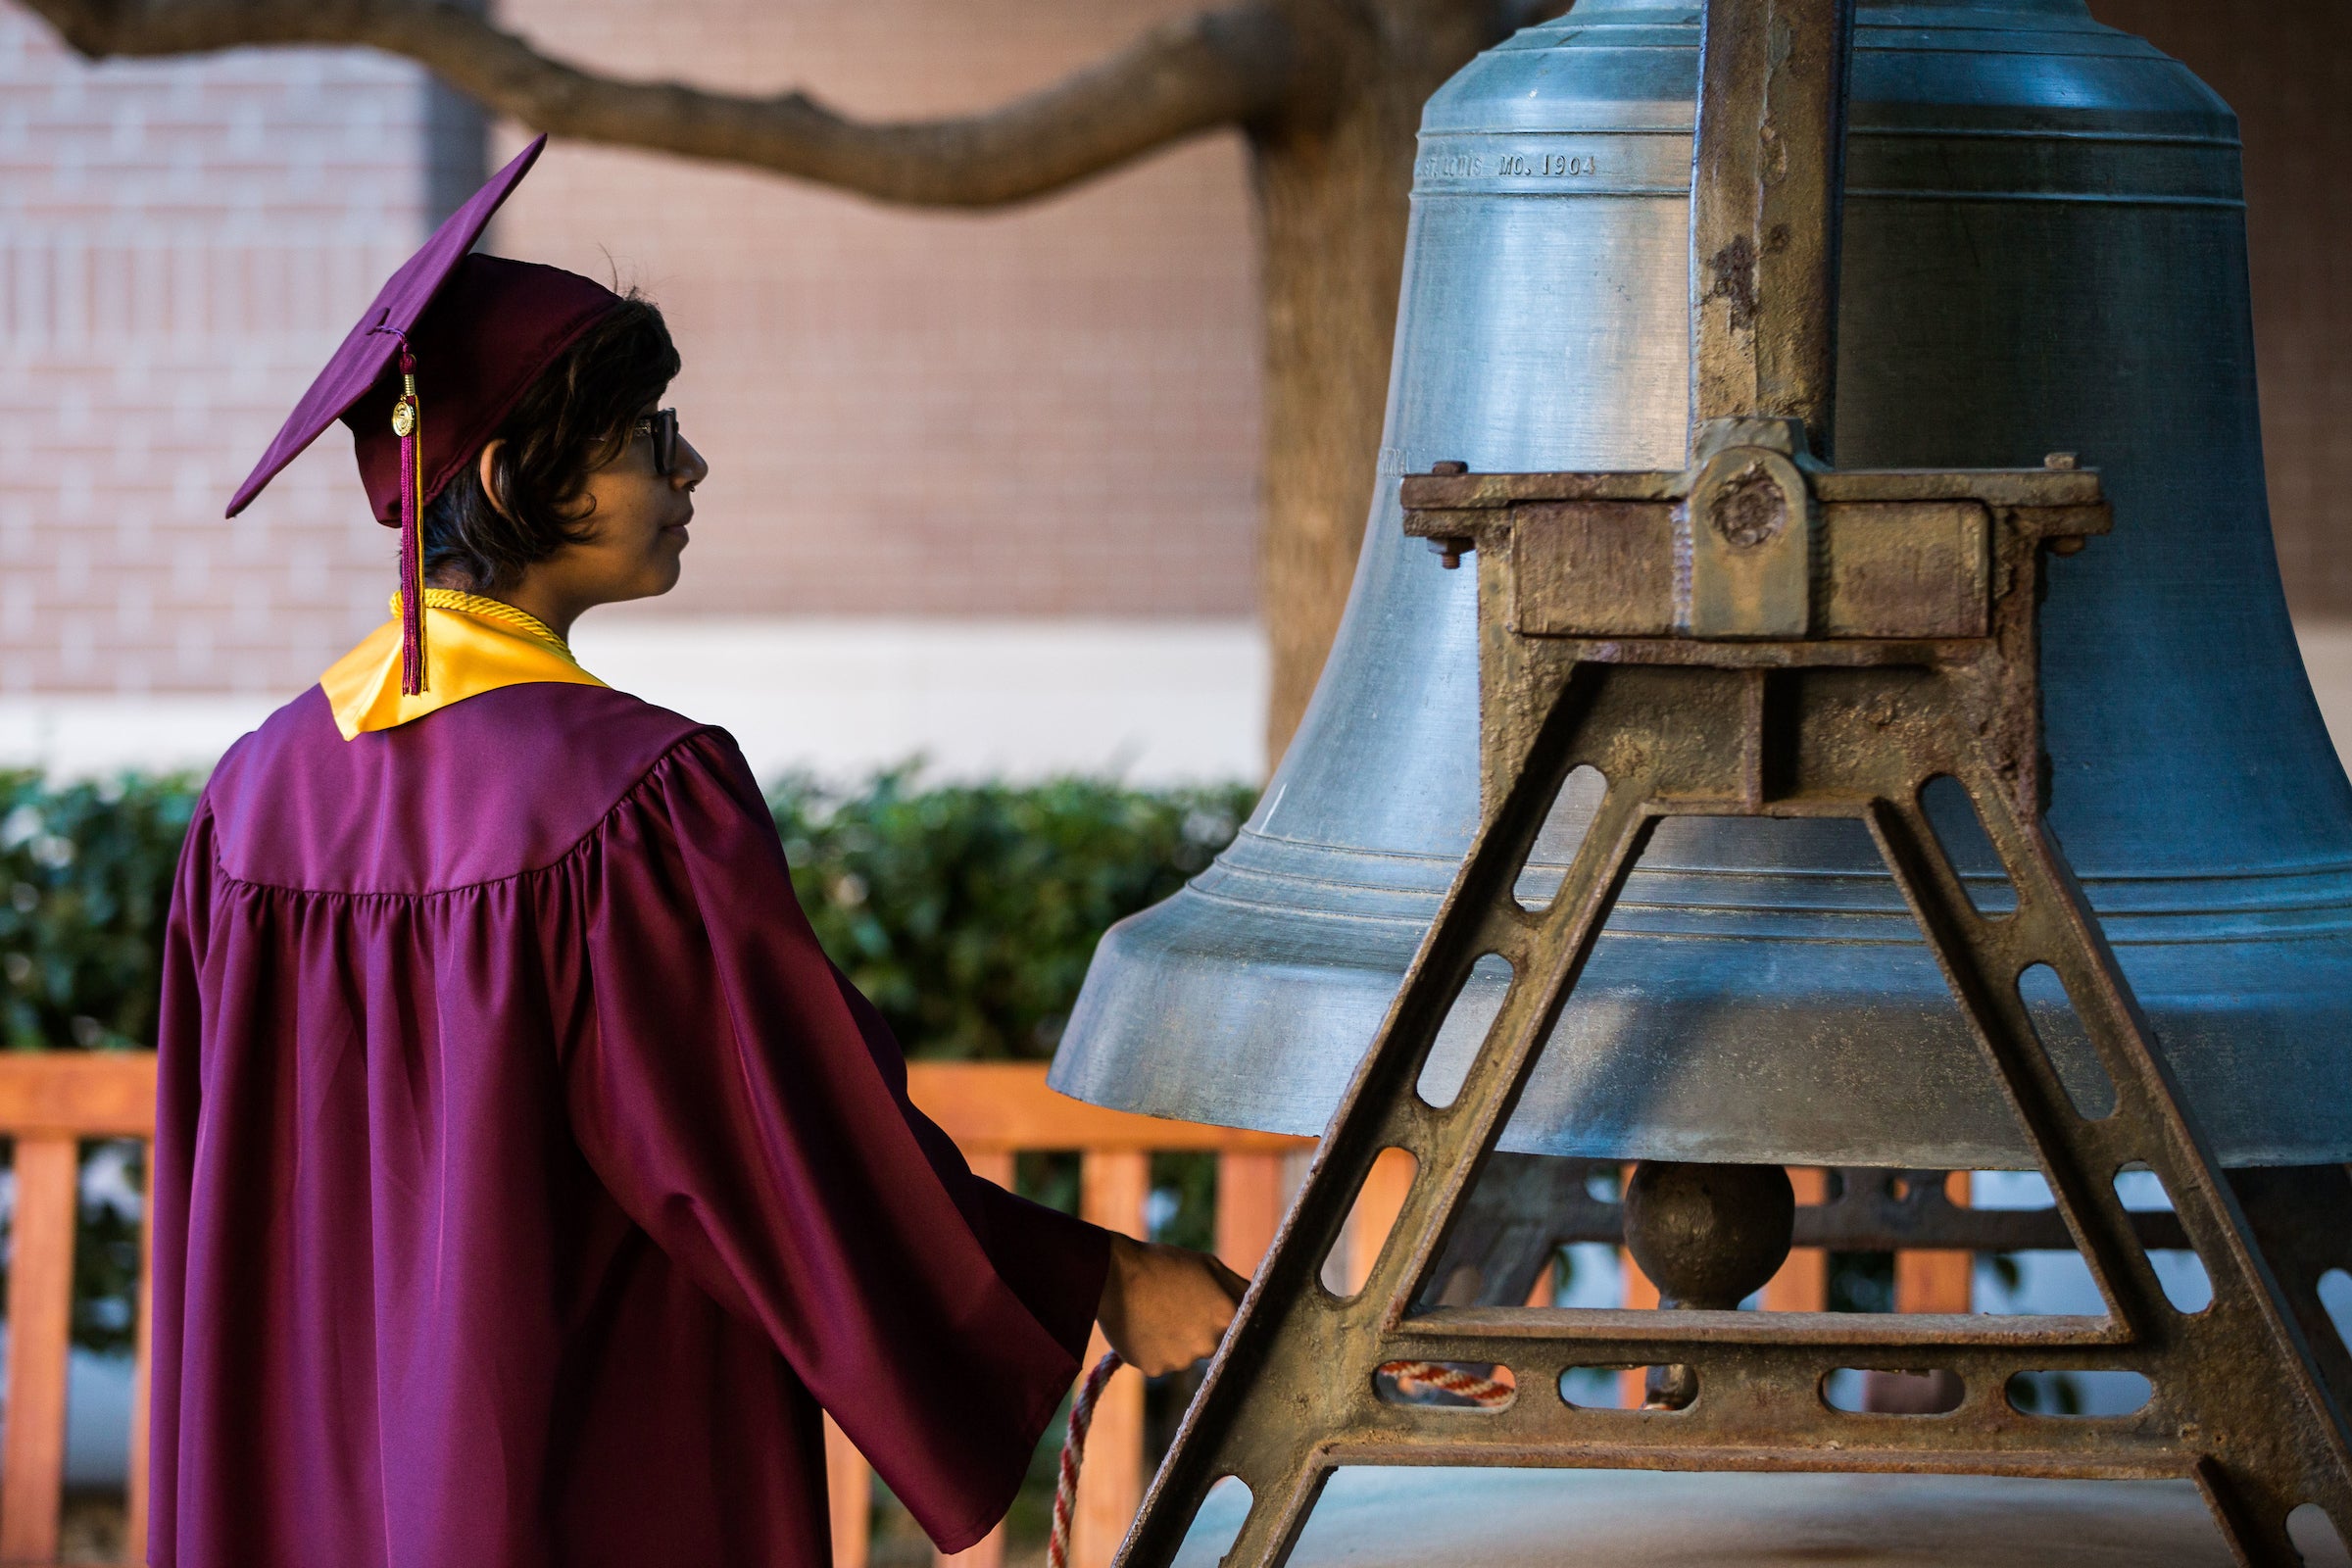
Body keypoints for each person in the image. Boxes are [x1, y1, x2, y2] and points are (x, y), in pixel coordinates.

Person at [149, 137, 1246, 1568]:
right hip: (575, 1466)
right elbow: (778, 1145)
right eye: (648, 434)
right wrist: (1091, 1274)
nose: (692, 462)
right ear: (520, 470)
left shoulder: (251, 808)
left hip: (310, 1487)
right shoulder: (635, 798)